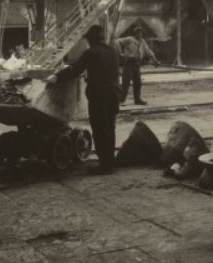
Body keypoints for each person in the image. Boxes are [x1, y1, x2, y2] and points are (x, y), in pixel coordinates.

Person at [54, 24, 121, 173]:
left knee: (100, 130)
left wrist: (57, 77)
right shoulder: (113, 51)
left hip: (99, 97)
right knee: (110, 129)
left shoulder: (91, 52)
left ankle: (104, 166)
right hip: (114, 95)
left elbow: (76, 70)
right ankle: (109, 163)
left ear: (91, 40)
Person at [115, 26, 158, 105]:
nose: (140, 34)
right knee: (126, 82)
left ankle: (137, 99)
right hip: (129, 63)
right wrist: (120, 53)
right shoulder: (129, 39)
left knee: (138, 82)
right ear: (135, 33)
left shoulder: (143, 41)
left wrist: (155, 60)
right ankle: (121, 99)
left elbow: (149, 51)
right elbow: (117, 41)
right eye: (138, 32)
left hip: (137, 64)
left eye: (141, 32)